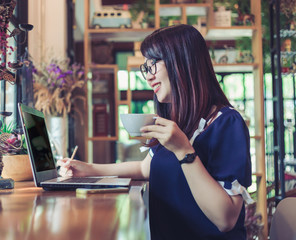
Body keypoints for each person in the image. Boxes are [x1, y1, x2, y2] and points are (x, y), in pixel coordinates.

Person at [57, 24, 253, 240]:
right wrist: (88, 170)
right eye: (146, 67)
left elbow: (225, 219)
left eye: (153, 64)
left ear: (183, 62)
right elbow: (144, 168)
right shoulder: (177, 121)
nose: (148, 76)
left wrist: (184, 151)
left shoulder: (226, 122)